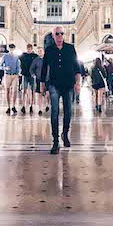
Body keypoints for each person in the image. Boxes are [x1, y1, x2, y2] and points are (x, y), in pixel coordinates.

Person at [41, 26, 81, 154]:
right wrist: (42, 83)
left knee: (68, 112)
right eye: (56, 34)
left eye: (61, 33)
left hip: (68, 84)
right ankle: (56, 142)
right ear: (53, 36)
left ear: (64, 35)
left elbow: (77, 66)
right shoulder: (49, 50)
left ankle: (65, 133)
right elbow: (44, 67)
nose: (59, 36)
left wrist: (77, 83)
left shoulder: (70, 48)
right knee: (54, 112)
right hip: (54, 84)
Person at [0, 44, 20, 114]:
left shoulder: (16, 57)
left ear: (14, 49)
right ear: (9, 49)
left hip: (14, 75)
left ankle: (13, 106)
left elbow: (18, 66)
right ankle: (8, 106)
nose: (11, 50)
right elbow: (0, 66)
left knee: (14, 91)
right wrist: (5, 68)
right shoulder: (5, 56)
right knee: (7, 90)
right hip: (7, 75)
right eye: (10, 49)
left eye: (12, 49)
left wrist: (18, 73)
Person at [30, 47, 49, 115]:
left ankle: (47, 105)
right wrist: (33, 75)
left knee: (47, 94)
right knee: (40, 94)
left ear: (43, 51)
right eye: (38, 51)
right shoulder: (36, 60)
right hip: (39, 78)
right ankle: (40, 108)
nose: (39, 52)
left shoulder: (48, 59)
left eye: (40, 51)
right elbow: (31, 69)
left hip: (47, 79)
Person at [19, 44, 38, 114]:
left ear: (31, 49)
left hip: (32, 76)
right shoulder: (23, 56)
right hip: (25, 75)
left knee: (33, 91)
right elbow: (19, 62)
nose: (29, 50)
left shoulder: (35, 56)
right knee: (24, 91)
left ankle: (31, 106)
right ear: (27, 49)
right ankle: (23, 106)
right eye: (28, 48)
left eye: (30, 48)